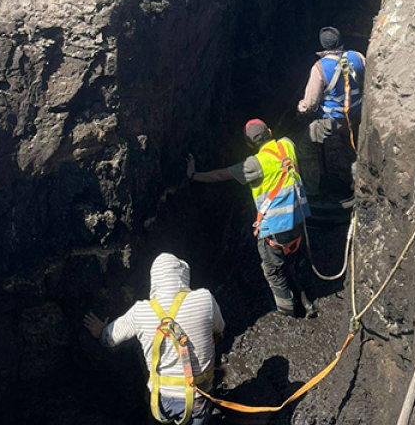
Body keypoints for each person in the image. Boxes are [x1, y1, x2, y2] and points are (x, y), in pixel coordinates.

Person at [187, 120, 315, 319]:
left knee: (272, 269)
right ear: (270, 131)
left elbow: (221, 175)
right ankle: (303, 297)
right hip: (299, 220)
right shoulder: (287, 144)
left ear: (248, 144)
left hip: (275, 229)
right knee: (290, 257)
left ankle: (287, 309)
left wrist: (193, 174)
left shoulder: (254, 164)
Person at [84, 253, 224, 425]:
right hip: (198, 397)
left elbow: (109, 339)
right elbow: (220, 330)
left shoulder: (140, 312)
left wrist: (100, 332)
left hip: (161, 400)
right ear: (184, 276)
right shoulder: (205, 299)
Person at [297, 27, 365, 197]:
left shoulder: (320, 68)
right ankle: (356, 185)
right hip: (355, 117)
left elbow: (311, 103)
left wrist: (300, 108)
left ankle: (311, 190)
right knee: (354, 149)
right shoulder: (358, 57)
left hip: (331, 120)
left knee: (306, 147)